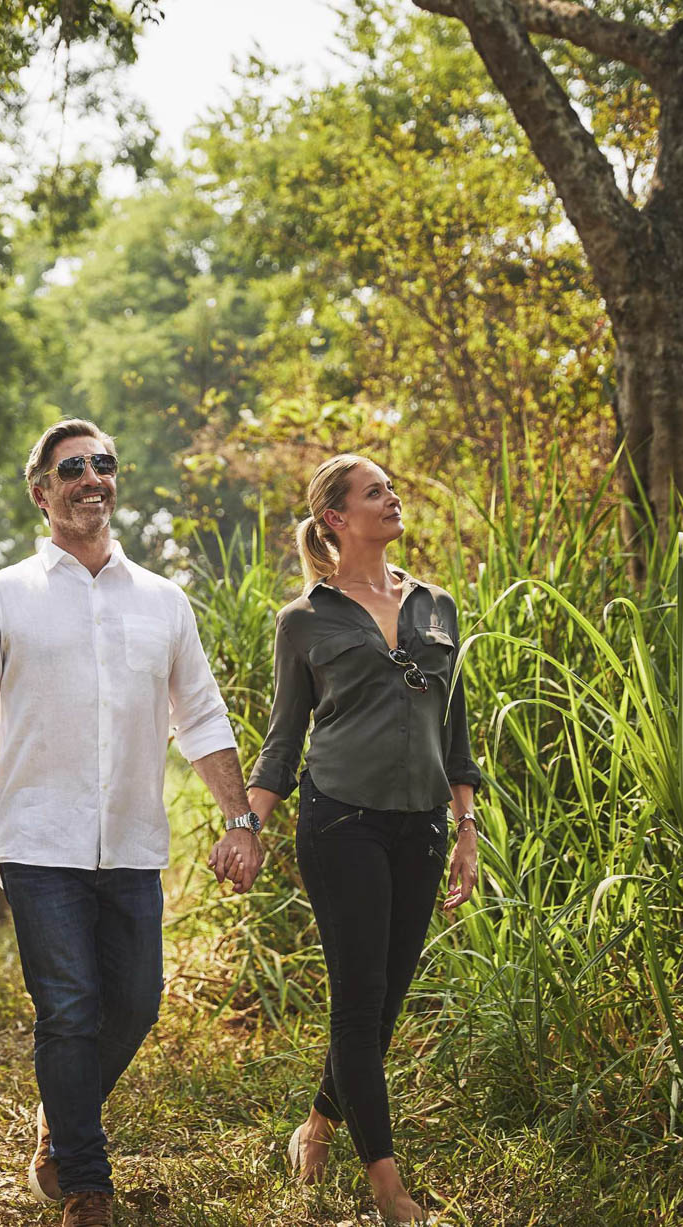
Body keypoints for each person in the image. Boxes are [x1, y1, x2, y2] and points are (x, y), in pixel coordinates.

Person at [0, 420, 265, 1227]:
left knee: (139, 1001)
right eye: (71, 467)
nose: (91, 477)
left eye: (103, 463)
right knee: (70, 1006)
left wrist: (241, 817)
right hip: (39, 844)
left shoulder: (163, 600)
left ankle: (60, 1112)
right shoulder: (3, 596)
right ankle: (86, 1182)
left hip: (133, 844)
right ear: (41, 490)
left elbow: (203, 717)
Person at [243, 452, 482, 1222]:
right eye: (375, 491)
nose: (393, 497)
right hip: (339, 820)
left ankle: (316, 1124)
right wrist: (249, 828)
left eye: (392, 487)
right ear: (337, 518)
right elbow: (283, 741)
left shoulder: (437, 605)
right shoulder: (306, 618)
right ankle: (389, 1187)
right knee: (357, 1001)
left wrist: (467, 829)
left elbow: (457, 733)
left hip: (421, 828)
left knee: (384, 1007)